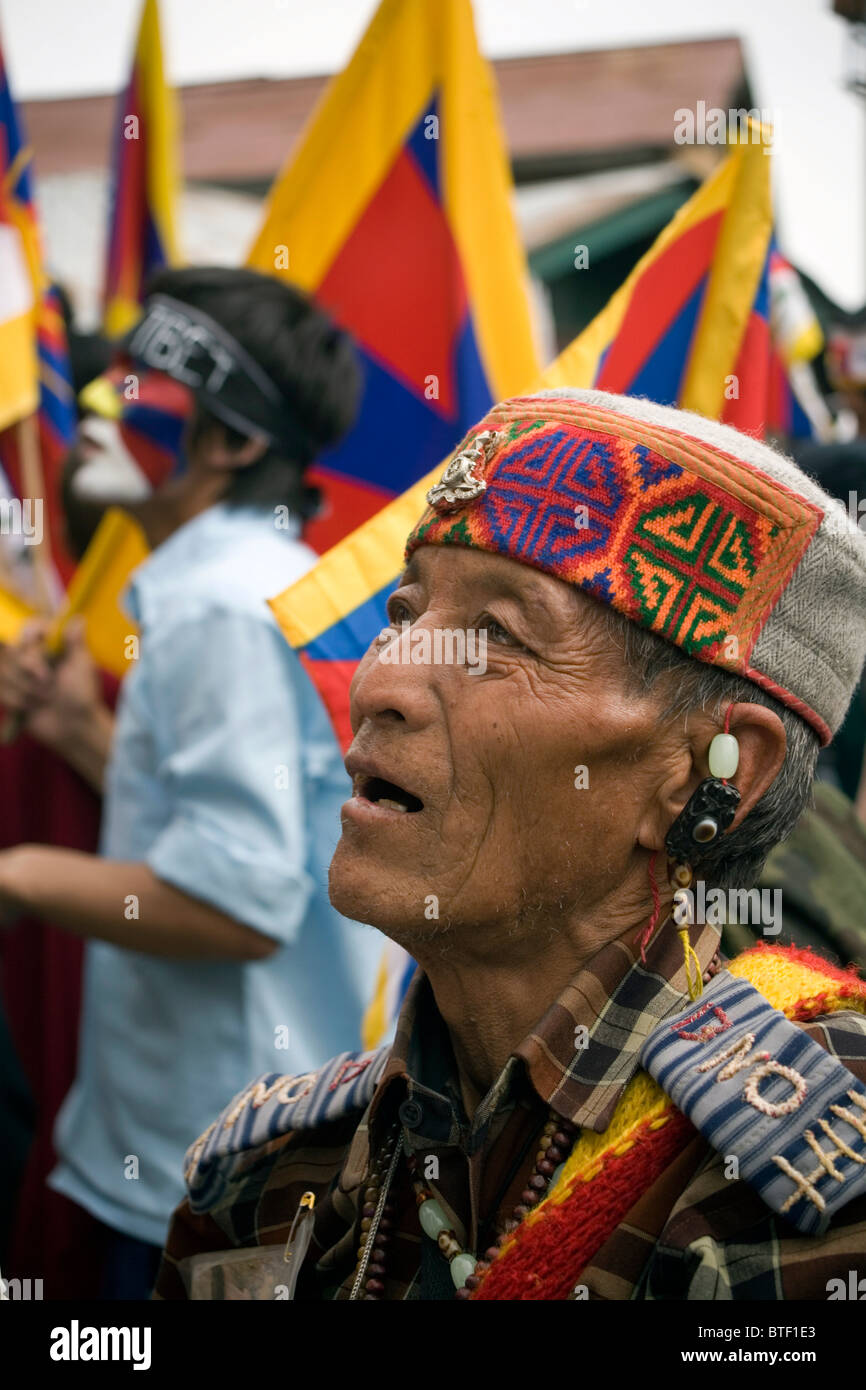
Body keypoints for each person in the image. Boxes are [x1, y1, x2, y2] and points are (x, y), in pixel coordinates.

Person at [154, 387, 866, 1301]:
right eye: (404, 615)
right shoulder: (268, 1182)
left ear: (709, 770)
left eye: (497, 635)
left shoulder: (800, 1202)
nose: (381, 681)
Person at [0, 266, 382, 1297]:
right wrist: (84, 734)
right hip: (229, 1149)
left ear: (232, 442)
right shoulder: (259, 584)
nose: (95, 401)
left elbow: (235, 902)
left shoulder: (218, 610)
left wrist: (18, 875)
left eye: (135, 386)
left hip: (209, 1172)